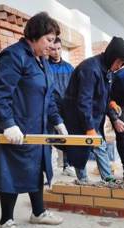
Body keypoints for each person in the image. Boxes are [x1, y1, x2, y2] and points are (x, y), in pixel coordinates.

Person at [0, 12, 67, 228]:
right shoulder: (13, 56)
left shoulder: (42, 61)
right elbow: (1, 95)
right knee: (10, 173)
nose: (52, 47)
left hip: (37, 127)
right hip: (16, 128)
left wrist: (57, 120)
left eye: (54, 41)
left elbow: (49, 96)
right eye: (49, 40)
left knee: (36, 168)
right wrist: (8, 124)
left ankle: (38, 212)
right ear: (34, 35)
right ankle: (5, 222)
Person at [62, 36, 124, 182]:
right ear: (111, 56)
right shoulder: (90, 69)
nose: (119, 66)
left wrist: (113, 114)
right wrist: (89, 128)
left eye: (122, 64)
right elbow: (84, 102)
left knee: (100, 146)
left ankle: (108, 179)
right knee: (80, 151)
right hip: (77, 117)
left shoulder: (107, 70)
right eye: (118, 62)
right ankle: (83, 181)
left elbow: (104, 96)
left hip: (91, 117)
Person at [48, 37, 75, 177]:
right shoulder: (45, 66)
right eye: (53, 49)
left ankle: (67, 165)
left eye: (59, 48)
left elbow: (75, 87)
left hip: (67, 108)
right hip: (50, 108)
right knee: (48, 136)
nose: (56, 52)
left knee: (66, 136)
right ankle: (48, 166)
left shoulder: (69, 67)